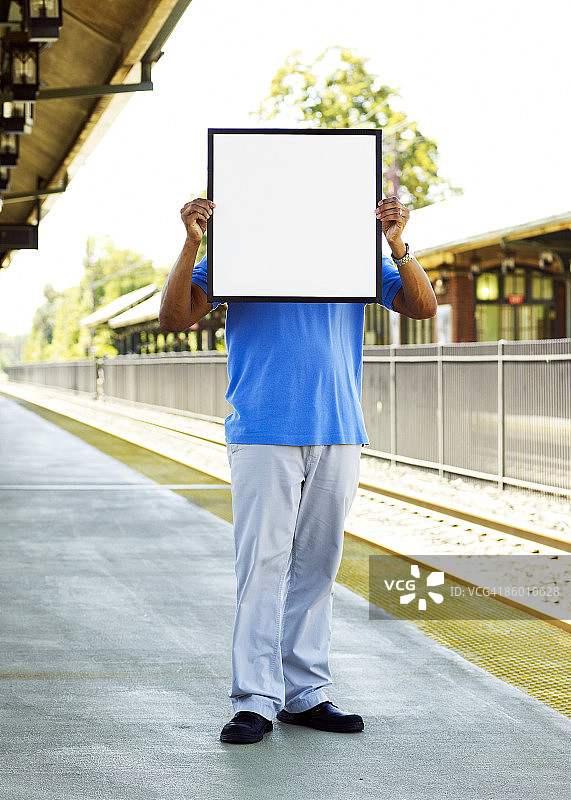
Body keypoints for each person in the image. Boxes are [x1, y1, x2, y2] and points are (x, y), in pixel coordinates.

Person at [159, 188, 437, 745]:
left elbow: (422, 308)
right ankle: (254, 700)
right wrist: (191, 244)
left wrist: (397, 242)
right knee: (261, 567)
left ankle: (305, 692)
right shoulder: (243, 250)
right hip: (263, 429)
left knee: (317, 567)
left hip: (337, 429)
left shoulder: (354, 253)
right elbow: (176, 317)